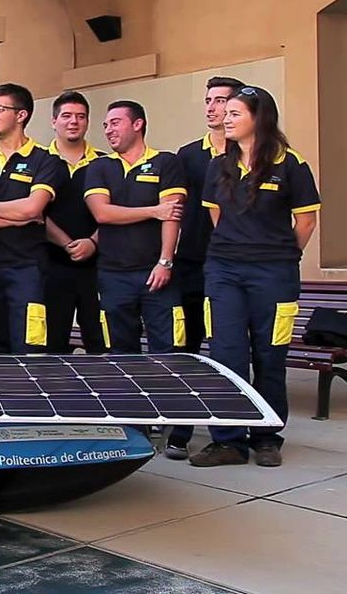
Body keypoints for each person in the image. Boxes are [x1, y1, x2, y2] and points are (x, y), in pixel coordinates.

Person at [190, 86, 320, 468]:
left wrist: (281, 254)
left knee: (269, 355)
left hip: (274, 273)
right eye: (224, 111)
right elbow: (217, 215)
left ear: (258, 118)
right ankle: (228, 441)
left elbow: (306, 221)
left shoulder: (290, 164)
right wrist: (238, 247)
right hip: (225, 271)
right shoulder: (219, 165)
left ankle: (266, 438)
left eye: (234, 113)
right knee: (225, 355)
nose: (225, 118)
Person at [166, 76, 245, 460]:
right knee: (188, 349)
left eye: (222, 101)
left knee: (228, 351)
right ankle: (180, 431)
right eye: (209, 100)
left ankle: (235, 432)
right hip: (192, 264)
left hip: (234, 266)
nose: (213, 108)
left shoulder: (252, 155)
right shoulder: (188, 155)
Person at [0, 84, 65, 354]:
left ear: (21, 115)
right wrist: (18, 217)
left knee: (29, 348)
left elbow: (33, 208)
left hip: (27, 269)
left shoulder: (45, 160)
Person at [84, 101, 186, 354]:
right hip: (113, 275)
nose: (108, 130)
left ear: (138, 124)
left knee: (168, 350)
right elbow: (102, 213)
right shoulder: (99, 166)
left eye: (115, 123)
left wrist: (165, 262)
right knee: (120, 352)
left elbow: (171, 215)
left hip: (157, 272)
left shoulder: (166, 162)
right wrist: (153, 211)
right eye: (105, 125)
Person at [44, 92, 107, 355]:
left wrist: (92, 242)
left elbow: (113, 211)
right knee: (53, 344)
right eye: (67, 116)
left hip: (96, 266)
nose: (74, 122)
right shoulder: (40, 161)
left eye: (81, 117)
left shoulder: (104, 162)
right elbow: (35, 212)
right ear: (54, 121)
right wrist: (67, 243)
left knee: (100, 342)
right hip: (51, 264)